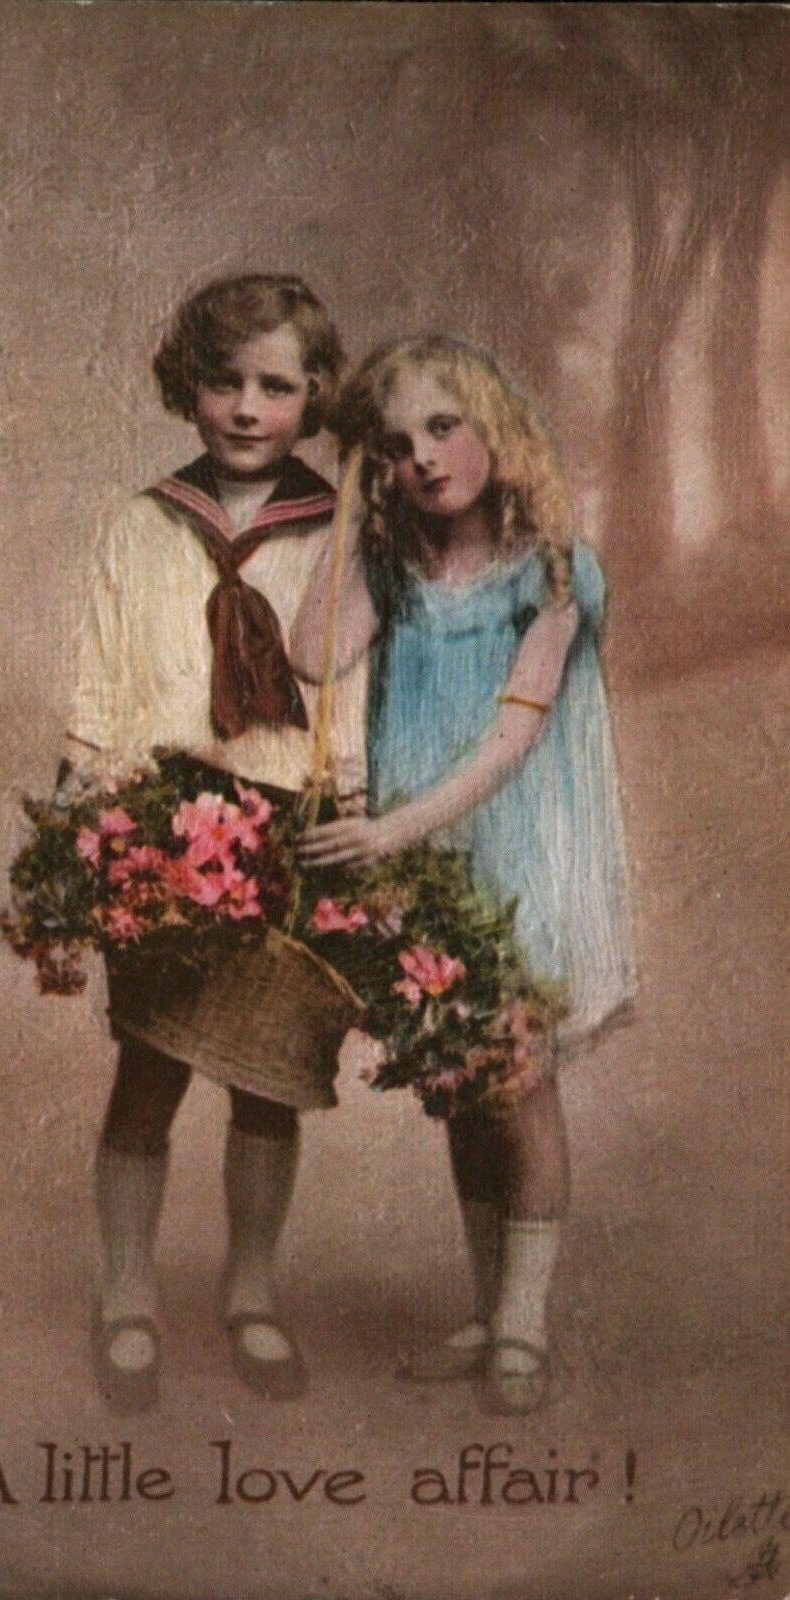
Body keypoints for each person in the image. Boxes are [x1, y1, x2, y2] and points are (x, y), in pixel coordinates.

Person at [293, 334, 636, 1413]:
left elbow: (511, 742)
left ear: (495, 430)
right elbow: (310, 654)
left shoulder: (554, 571)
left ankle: (524, 1323)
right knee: (459, 1086)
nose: (424, 460)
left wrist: (388, 835)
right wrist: (350, 511)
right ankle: (489, 1312)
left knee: (517, 1087)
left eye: (444, 429)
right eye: (395, 447)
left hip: (518, 859)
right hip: (427, 868)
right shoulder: (394, 565)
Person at [60, 274, 366, 1410]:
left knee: (266, 1082)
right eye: (224, 381)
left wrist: (351, 804)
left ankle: (251, 1293)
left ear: (314, 393)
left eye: (275, 386)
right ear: (187, 386)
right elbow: (101, 681)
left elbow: (356, 686)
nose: (246, 407)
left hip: (287, 819)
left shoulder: (344, 532)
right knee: (148, 1070)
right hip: (164, 820)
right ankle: (128, 1297)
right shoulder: (140, 526)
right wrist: (92, 809)